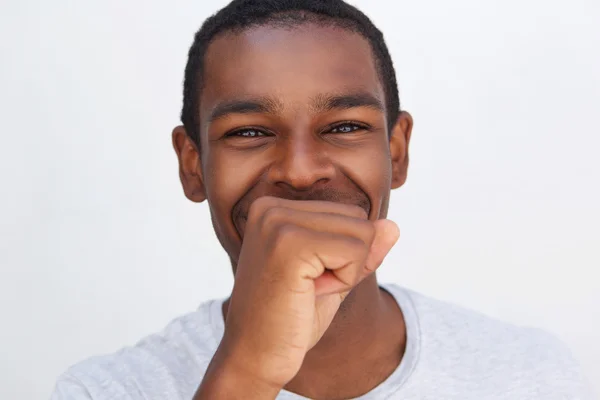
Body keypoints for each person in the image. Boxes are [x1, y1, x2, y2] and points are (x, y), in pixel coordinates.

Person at [51, 0, 594, 399]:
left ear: (396, 152)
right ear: (192, 166)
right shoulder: (106, 391)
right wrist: (250, 371)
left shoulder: (532, 374)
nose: (301, 171)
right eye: (248, 133)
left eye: (345, 126)